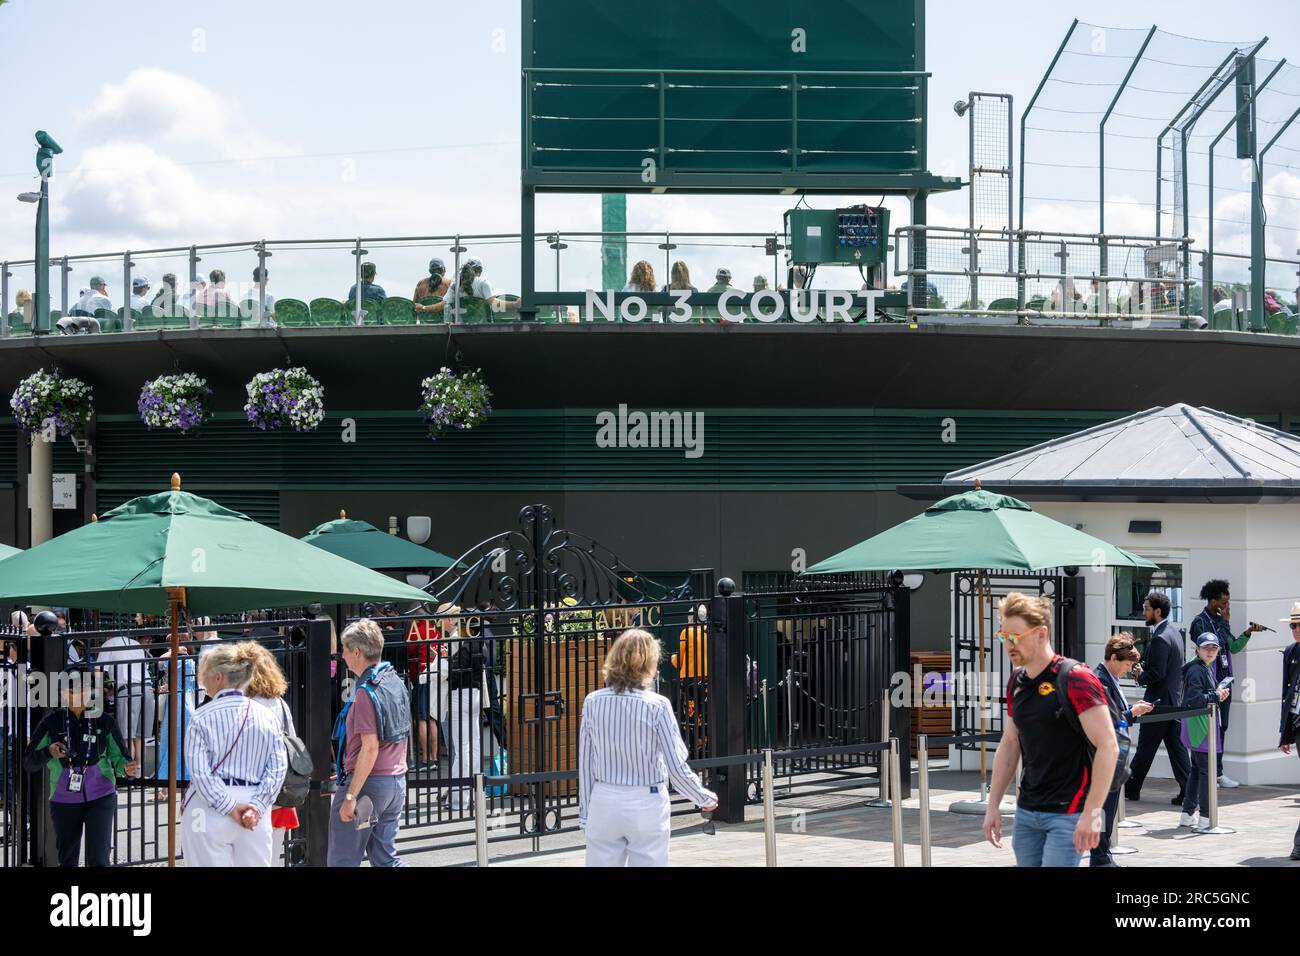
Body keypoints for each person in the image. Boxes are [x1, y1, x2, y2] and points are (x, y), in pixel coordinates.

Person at [982, 592, 1117, 867]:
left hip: (1069, 813)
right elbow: (1010, 743)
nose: (1009, 644)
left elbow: (1108, 745)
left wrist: (1092, 812)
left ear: (1042, 633)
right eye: (1004, 636)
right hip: (1027, 811)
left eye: (1016, 636)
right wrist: (992, 805)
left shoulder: (1075, 677)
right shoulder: (1016, 683)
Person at [579, 628, 716, 867]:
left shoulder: (592, 702)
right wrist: (702, 796)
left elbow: (585, 763)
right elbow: (676, 766)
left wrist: (585, 814)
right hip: (646, 799)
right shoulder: (658, 705)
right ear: (650, 663)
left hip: (604, 798)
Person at [180, 642, 288, 867]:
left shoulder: (201, 718)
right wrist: (257, 805)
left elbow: (200, 773)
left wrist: (228, 806)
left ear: (218, 677)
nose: (203, 682)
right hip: (254, 804)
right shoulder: (267, 717)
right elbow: (278, 768)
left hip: (208, 807)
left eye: (205, 676)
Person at [25, 666, 136, 866]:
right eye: (71, 690)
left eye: (83, 689)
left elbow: (120, 757)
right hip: (63, 798)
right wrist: (48, 751)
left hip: (101, 795)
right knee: (67, 858)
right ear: (61, 693)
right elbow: (29, 761)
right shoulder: (51, 723)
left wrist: (126, 768)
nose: (78, 694)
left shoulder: (104, 721)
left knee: (99, 859)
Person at [329, 619, 409, 867]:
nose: (342, 656)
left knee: (343, 859)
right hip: (395, 782)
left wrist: (350, 795)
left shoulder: (366, 692)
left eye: (344, 649)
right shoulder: (394, 681)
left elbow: (370, 747)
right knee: (386, 860)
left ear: (357, 652)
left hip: (368, 786)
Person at [1188, 579, 1265, 786]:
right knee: (1206, 728)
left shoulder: (1220, 620)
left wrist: (1248, 633)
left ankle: (1218, 772)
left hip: (1224, 683)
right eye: (1224, 602)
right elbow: (1215, 645)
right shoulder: (1200, 622)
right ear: (1213, 600)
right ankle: (1207, 773)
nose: (1227, 606)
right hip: (1207, 684)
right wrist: (1226, 622)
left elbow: (1232, 646)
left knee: (1222, 727)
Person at [1090, 634, 1154, 867]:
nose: (1128, 670)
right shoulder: (1100, 680)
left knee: (1109, 809)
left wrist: (1131, 711)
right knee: (1103, 809)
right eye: (1126, 665)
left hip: (1115, 755)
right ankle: (1099, 858)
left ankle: (1102, 856)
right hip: (1105, 756)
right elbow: (1108, 718)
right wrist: (1132, 713)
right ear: (1114, 658)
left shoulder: (1110, 678)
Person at [1125, 590, 1192, 805]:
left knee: (1146, 747)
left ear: (1157, 611)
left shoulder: (1161, 638)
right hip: (1172, 701)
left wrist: (1138, 675)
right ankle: (1188, 790)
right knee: (1176, 748)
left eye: (1146, 609)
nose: (1143, 612)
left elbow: (1157, 674)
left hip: (1158, 703)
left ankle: (1131, 788)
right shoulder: (1172, 633)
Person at [245, 644, 300, 845]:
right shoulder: (280, 703)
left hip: (252, 795)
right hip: (281, 793)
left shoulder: (245, 705)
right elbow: (292, 742)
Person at [1178, 632, 1230, 830]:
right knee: (1206, 772)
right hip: (1199, 726)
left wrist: (1215, 694)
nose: (1210, 651)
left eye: (1213, 648)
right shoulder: (1197, 669)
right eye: (1206, 647)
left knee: (1196, 770)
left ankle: (1187, 813)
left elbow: (1199, 696)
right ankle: (1206, 819)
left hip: (1198, 724)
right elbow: (1194, 699)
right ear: (1197, 649)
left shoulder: (1200, 666)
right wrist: (1216, 695)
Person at [94, 631, 156, 780]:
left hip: (129, 690)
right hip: (148, 689)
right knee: (141, 737)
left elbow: (98, 672)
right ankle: (139, 772)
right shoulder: (136, 645)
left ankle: (129, 774)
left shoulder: (108, 644)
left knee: (127, 736)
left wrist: (99, 693)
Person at [444, 605, 484, 810]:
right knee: (474, 744)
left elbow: (454, 670)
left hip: (461, 695)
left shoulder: (466, 645)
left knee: (462, 748)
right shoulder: (481, 645)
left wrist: (448, 660)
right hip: (475, 695)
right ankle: (476, 791)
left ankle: (460, 799)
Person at [153, 643, 198, 801]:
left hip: (178, 706)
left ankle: (165, 789)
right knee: (179, 746)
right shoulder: (188, 662)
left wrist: (174, 650)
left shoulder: (179, 661)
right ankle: (181, 788)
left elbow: (159, 663)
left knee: (170, 745)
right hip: (183, 704)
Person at [1277, 602, 1300, 860]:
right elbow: (1286, 694)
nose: (1295, 629)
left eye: (1298, 625)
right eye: (1292, 625)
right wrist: (1285, 734)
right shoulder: (1291, 652)